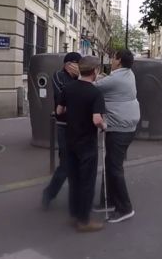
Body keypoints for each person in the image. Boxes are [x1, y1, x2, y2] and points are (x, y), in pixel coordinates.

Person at [57, 56, 106, 232]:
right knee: (87, 181)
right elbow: (97, 119)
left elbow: (59, 110)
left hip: (70, 140)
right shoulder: (95, 93)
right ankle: (84, 220)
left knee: (74, 179)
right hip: (87, 143)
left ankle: (74, 214)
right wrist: (104, 126)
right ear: (95, 71)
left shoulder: (68, 88)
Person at [94, 49, 141, 223]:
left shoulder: (116, 79)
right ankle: (109, 201)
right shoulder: (129, 74)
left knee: (114, 168)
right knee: (111, 165)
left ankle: (125, 208)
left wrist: (83, 75)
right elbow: (107, 83)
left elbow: (92, 87)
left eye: (113, 58)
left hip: (119, 129)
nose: (111, 60)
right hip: (126, 127)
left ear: (119, 60)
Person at [42, 52, 81, 209]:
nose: (79, 66)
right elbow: (63, 97)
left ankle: (77, 201)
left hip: (81, 126)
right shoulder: (58, 76)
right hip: (64, 126)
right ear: (68, 64)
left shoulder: (80, 78)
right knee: (65, 164)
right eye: (76, 63)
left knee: (79, 163)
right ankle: (49, 193)